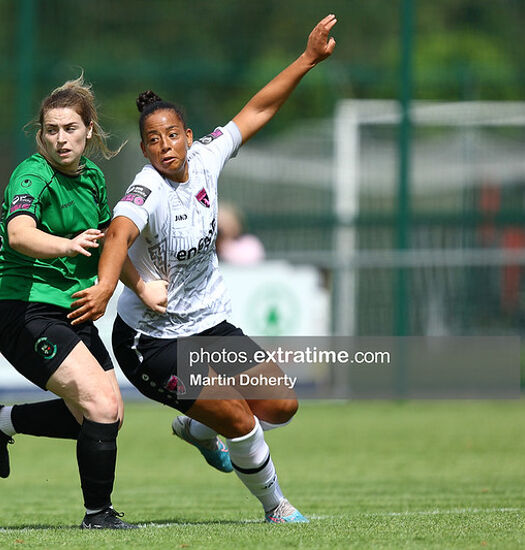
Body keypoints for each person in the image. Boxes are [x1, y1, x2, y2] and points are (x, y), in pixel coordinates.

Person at [69, 15, 337, 523]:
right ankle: (276, 509)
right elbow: (118, 234)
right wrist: (111, 287)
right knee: (239, 420)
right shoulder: (145, 190)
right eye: (153, 139)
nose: (165, 145)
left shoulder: (210, 157)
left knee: (281, 406)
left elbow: (258, 109)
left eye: (172, 134)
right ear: (145, 148)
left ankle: (196, 429)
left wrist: (307, 60)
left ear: (189, 136)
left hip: (210, 324)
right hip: (152, 341)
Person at [0, 75, 166, 530]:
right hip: (25, 311)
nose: (60, 139)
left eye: (70, 129)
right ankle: (98, 517)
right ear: (41, 134)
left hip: (72, 310)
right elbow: (20, 234)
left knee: (106, 417)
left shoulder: (94, 177)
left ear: (89, 130)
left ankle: (1, 421)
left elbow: (109, 246)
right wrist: (66, 245)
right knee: (101, 406)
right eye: (52, 130)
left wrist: (142, 287)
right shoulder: (32, 174)